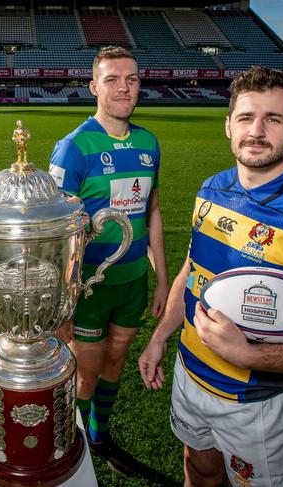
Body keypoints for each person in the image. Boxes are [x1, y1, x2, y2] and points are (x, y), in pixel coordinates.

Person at [139, 66, 283, 487]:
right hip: (189, 375)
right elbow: (192, 272)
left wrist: (248, 356)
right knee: (198, 469)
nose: (257, 131)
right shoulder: (211, 189)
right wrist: (159, 339)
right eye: (246, 118)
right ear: (229, 125)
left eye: (274, 119)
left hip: (257, 401)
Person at [49, 46, 169, 474]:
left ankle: (98, 437)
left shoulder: (148, 143)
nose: (124, 87)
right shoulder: (73, 148)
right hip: (88, 288)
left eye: (132, 79)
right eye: (113, 79)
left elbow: (151, 211)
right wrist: (61, 301)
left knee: (116, 361)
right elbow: (56, 232)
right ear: (94, 86)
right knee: (84, 373)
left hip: (134, 281)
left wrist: (161, 281)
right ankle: (70, 443)